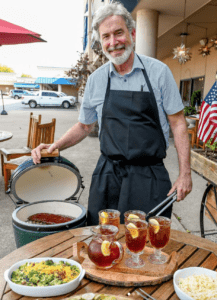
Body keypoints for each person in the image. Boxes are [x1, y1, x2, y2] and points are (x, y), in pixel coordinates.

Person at [31, 2, 192, 225]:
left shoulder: (158, 73)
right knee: (104, 244)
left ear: (132, 33)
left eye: (119, 33)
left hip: (150, 177)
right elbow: (85, 126)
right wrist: (54, 146)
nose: (113, 42)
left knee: (146, 248)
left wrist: (185, 174)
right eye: (106, 36)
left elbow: (178, 123)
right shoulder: (96, 80)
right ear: (101, 42)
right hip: (108, 177)